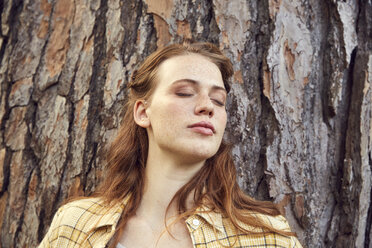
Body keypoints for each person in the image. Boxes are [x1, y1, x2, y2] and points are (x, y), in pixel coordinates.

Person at [38, 41, 303, 248]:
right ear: (143, 112)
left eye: (218, 100)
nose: (207, 107)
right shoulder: (75, 224)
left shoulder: (267, 237)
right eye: (185, 93)